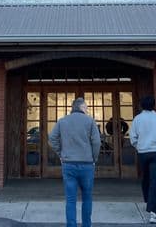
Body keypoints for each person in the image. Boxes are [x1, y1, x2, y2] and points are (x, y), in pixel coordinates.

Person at [48, 97, 101, 227]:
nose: (87, 110)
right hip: (87, 165)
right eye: (86, 107)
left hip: (69, 164)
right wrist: (94, 158)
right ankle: (86, 225)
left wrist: (61, 153)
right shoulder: (90, 121)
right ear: (82, 107)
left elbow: (52, 139)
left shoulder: (62, 121)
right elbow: (97, 142)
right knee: (87, 198)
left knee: (70, 200)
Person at [129, 95, 156, 224]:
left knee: (145, 178)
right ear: (154, 105)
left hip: (143, 152)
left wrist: (138, 146)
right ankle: (153, 213)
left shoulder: (137, 119)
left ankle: (148, 201)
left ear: (142, 105)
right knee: (155, 182)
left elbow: (133, 137)